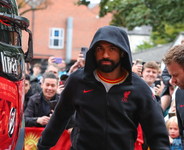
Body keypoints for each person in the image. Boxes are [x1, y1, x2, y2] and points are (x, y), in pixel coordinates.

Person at [37, 26, 170, 150]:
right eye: (100, 49)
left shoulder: (139, 88)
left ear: (122, 52)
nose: (105, 54)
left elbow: (156, 132)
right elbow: (59, 118)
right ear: (94, 52)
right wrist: (42, 147)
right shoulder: (78, 80)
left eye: (112, 49)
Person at [161, 35, 184, 113]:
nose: (173, 80)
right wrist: (169, 82)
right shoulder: (179, 93)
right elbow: (164, 75)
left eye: (176, 75)